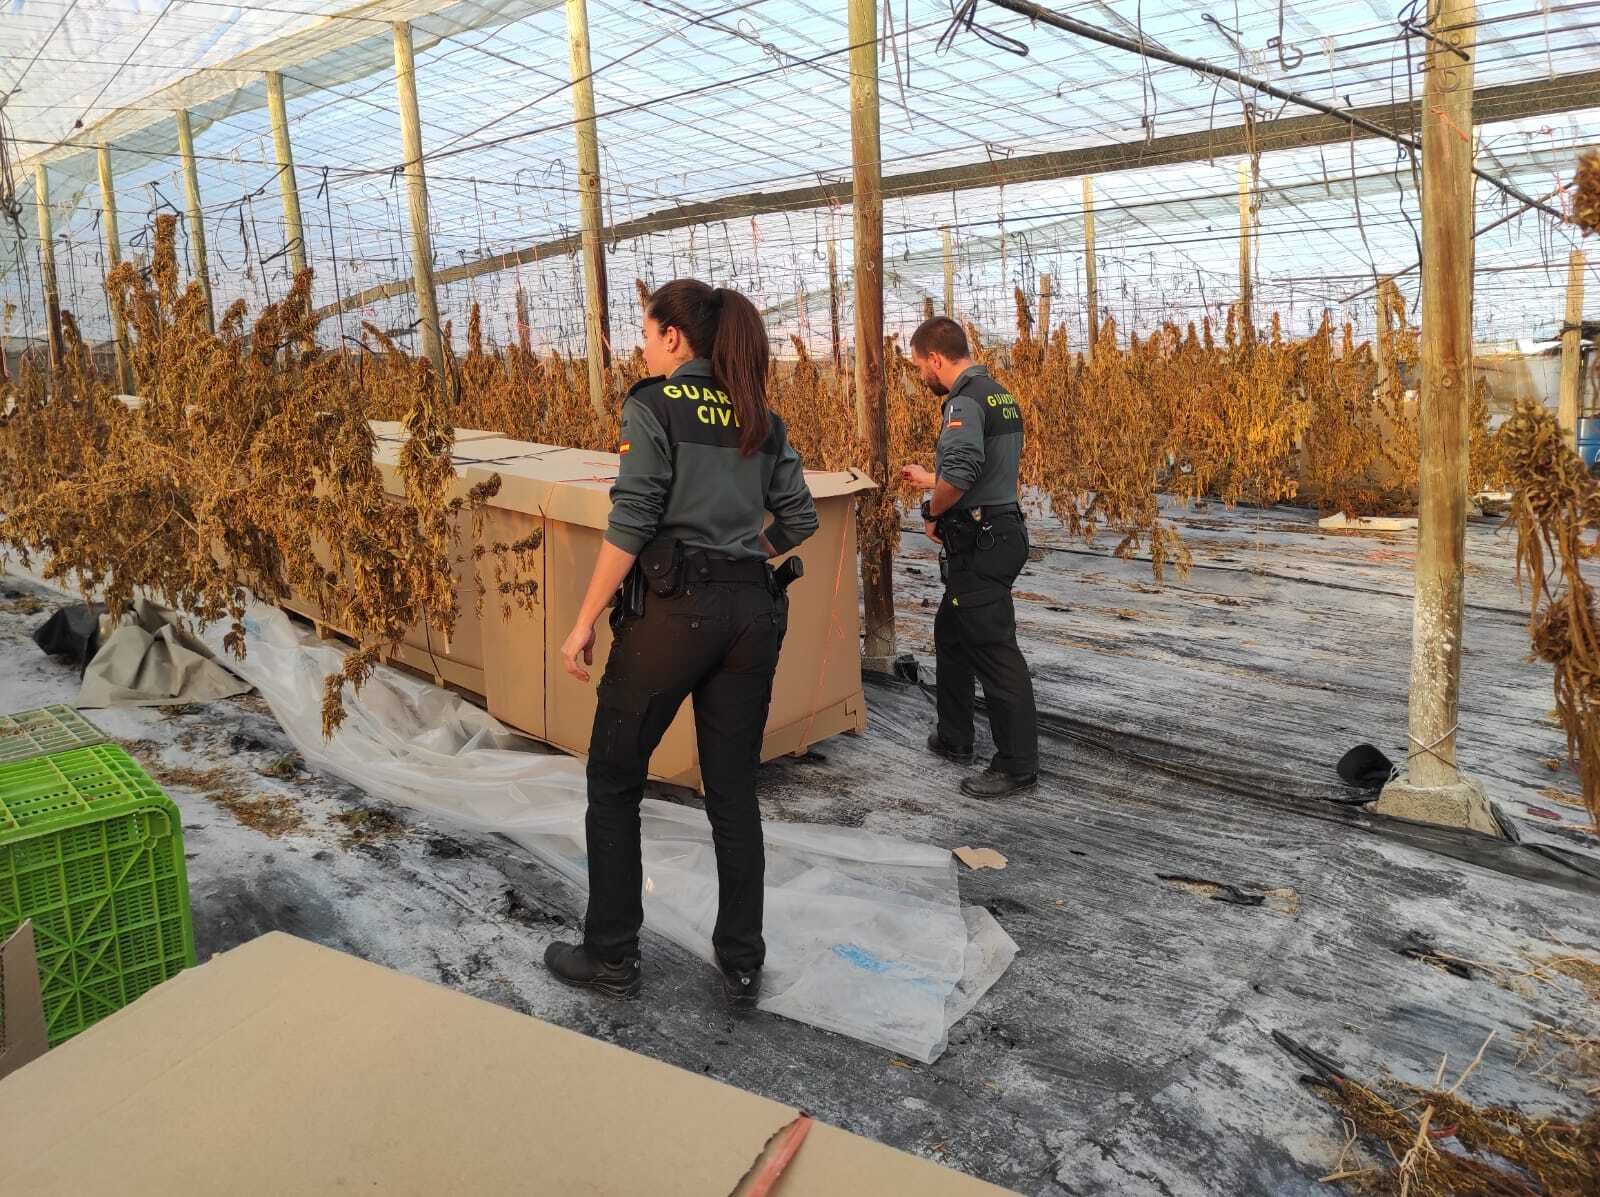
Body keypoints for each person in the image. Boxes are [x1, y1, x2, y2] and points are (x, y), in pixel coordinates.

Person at [545, 279, 818, 1009]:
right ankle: (742, 964)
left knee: (614, 777)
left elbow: (632, 519)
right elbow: (799, 518)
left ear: (673, 337)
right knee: (732, 790)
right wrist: (739, 550)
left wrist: (583, 621)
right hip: (751, 614)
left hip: (674, 614)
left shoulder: (655, 404)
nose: (642, 343)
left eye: (645, 330)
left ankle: (611, 957)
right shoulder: (759, 413)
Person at [899, 316, 1039, 799]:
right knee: (952, 635)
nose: (921, 377)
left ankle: (1017, 765)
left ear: (936, 359)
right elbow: (986, 469)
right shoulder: (998, 392)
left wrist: (930, 509)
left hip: (982, 539)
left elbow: (959, 474)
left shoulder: (962, 401)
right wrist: (929, 479)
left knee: (995, 652)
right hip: (999, 529)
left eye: (920, 367)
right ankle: (955, 736)